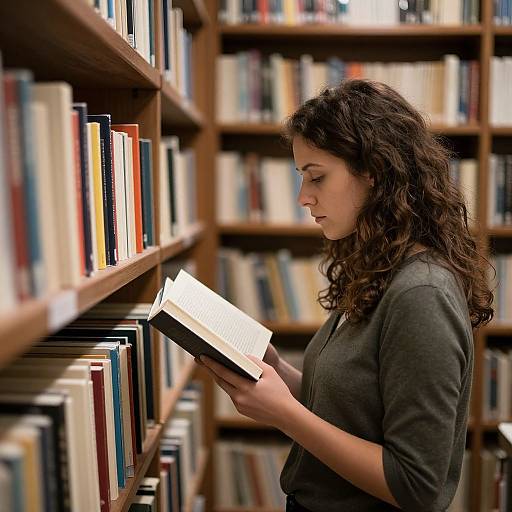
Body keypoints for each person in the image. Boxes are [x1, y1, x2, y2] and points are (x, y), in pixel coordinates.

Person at [198, 79, 494, 511]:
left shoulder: (421, 293)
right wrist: (280, 374)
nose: (303, 197)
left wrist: (285, 414)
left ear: (374, 172)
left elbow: (416, 485)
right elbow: (353, 410)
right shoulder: (379, 268)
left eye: (316, 177)